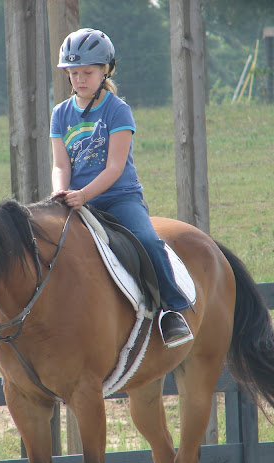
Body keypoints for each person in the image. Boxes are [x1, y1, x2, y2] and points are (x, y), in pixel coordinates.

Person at [50, 28, 193, 348]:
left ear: (105, 71)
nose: (79, 79)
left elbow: (114, 168)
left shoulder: (117, 110)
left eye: (87, 72)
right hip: (75, 200)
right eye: (73, 73)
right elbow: (61, 166)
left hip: (119, 198)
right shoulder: (60, 114)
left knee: (148, 240)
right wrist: (60, 193)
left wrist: (84, 194)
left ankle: (172, 310)